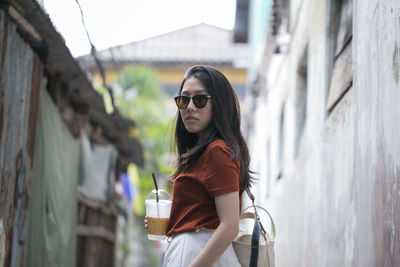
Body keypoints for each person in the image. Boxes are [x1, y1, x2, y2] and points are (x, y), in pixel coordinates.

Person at [147, 65, 253, 266]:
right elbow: (201, 215)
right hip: (191, 251)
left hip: (199, 256)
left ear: (219, 104)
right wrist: (172, 222)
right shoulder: (201, 154)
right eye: (183, 99)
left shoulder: (217, 151)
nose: (190, 107)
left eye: (200, 99)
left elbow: (230, 225)